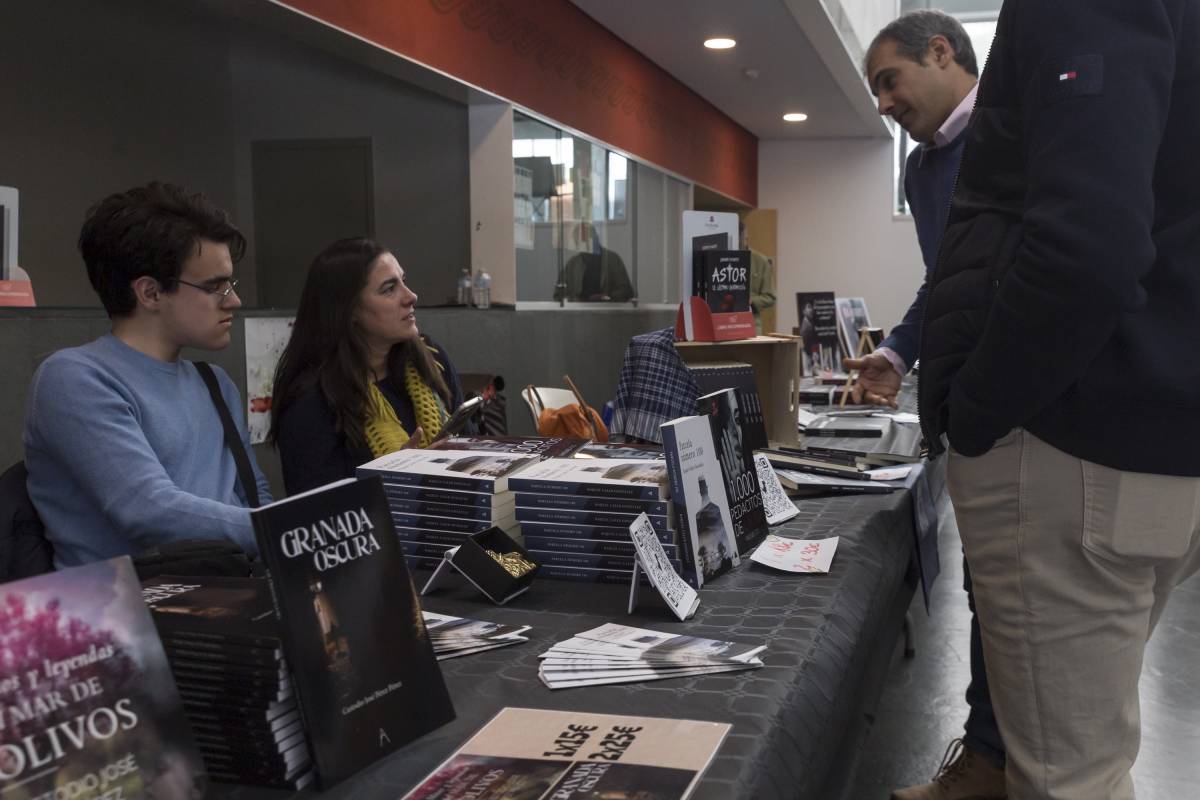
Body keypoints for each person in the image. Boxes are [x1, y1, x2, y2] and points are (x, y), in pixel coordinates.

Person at [919, 2, 1200, 799]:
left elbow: (1090, 246)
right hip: (1152, 435)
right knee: (1085, 755)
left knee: (1071, 778)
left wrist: (977, 412)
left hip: (1070, 439)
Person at [857, 12, 1001, 800]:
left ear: (941, 52)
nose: (883, 102)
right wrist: (895, 352)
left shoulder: (1018, 129)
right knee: (991, 591)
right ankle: (988, 761)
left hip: (1030, 409)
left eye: (889, 80)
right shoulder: (920, 171)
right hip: (968, 416)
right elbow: (946, 281)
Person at [23, 182, 271, 567]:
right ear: (150, 293)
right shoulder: (74, 379)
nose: (233, 301)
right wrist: (293, 531)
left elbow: (254, 498)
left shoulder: (215, 384)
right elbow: (150, 511)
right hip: (126, 612)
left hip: (229, 593)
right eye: (215, 287)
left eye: (231, 284)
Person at [269, 238, 469, 495]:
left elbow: (472, 446)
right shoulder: (312, 400)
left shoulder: (430, 357)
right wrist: (393, 478)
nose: (410, 296)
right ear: (349, 309)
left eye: (404, 281)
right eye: (389, 289)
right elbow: (317, 515)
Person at [556, 221, 634, 302]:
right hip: (579, 312)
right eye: (580, 240)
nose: (585, 242)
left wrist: (606, 297)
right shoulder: (572, 264)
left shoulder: (613, 260)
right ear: (576, 243)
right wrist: (576, 300)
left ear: (596, 237)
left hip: (607, 311)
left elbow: (627, 291)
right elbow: (558, 294)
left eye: (588, 237)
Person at [738, 220, 776, 334]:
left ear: (745, 237)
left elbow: (771, 297)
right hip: (723, 325)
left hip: (751, 324)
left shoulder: (760, 261)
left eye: (741, 238)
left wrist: (751, 301)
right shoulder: (720, 258)